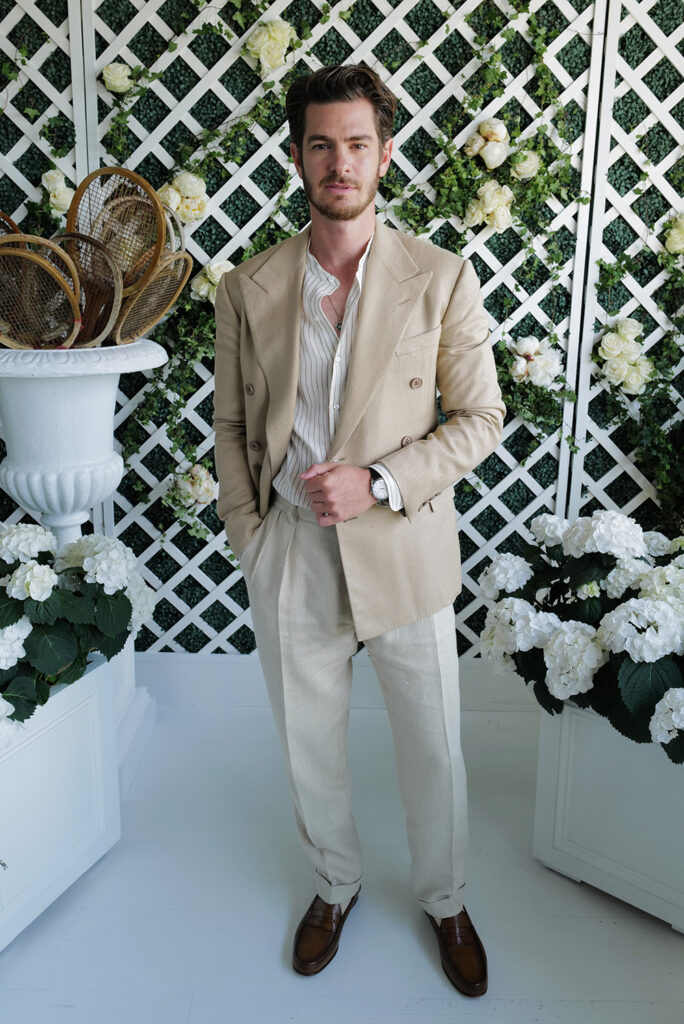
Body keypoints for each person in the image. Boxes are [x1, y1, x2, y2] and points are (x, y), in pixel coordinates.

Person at [213, 64, 505, 997]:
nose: (340, 161)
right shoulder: (247, 286)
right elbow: (228, 425)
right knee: (310, 743)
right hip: (292, 551)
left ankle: (446, 896)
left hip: (403, 549)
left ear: (384, 152)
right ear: (297, 154)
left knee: (432, 745)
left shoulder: (440, 278)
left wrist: (379, 480)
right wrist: (251, 536)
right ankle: (335, 884)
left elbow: (481, 419)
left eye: (357, 143)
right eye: (321, 143)